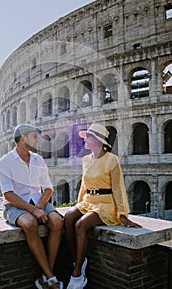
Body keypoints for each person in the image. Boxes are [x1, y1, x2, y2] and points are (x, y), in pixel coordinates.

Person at [64, 123, 141, 289]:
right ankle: (78, 259)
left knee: (81, 225)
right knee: (68, 217)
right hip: (88, 201)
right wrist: (78, 205)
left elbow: (118, 187)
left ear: (97, 140)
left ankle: (77, 272)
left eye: (88, 137)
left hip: (105, 204)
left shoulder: (112, 160)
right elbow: (84, 185)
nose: (85, 140)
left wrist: (122, 213)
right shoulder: (86, 160)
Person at [0, 124, 64, 289]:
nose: (38, 139)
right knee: (29, 223)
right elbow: (8, 194)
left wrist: (40, 206)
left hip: (38, 202)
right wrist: (33, 210)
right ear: (22, 138)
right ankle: (50, 276)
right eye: (34, 136)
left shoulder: (38, 159)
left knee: (57, 222)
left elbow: (48, 188)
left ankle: (47, 274)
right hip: (15, 205)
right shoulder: (5, 161)